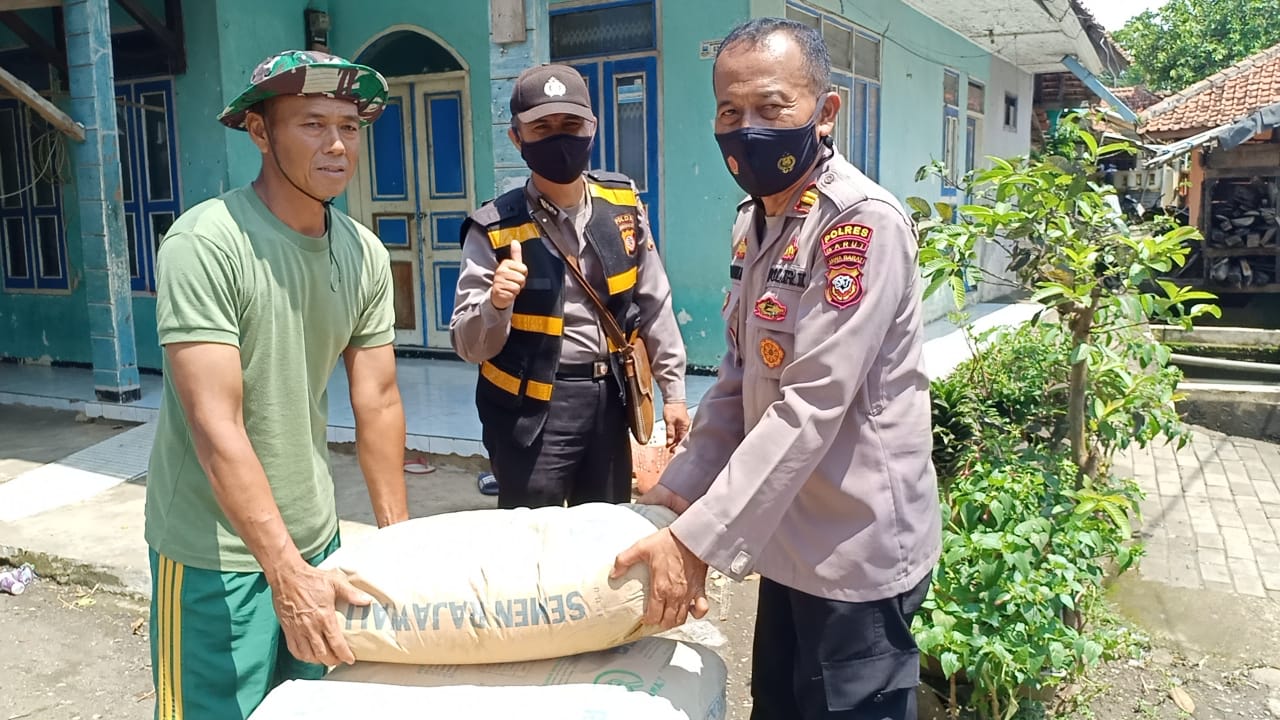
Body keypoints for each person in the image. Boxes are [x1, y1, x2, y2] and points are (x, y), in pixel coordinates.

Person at [612, 18, 941, 720]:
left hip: (856, 549)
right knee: (781, 706)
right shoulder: (758, 221)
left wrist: (695, 544)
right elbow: (738, 378)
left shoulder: (859, 226)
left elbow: (811, 403)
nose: (746, 129)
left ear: (825, 112)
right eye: (730, 112)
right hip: (788, 534)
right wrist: (676, 496)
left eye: (771, 107)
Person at [145, 50, 409, 720]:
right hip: (216, 555)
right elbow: (215, 424)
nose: (336, 145)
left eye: (349, 127)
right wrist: (282, 571)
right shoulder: (207, 243)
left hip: (319, 540)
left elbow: (377, 402)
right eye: (312, 124)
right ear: (260, 133)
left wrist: (400, 543)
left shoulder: (363, 252)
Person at [451, 64, 690, 509]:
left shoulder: (623, 204)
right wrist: (496, 302)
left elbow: (654, 303)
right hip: (531, 413)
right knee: (531, 544)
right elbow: (468, 345)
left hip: (610, 402)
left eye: (570, 124)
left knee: (604, 539)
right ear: (516, 138)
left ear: (592, 128)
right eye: (541, 127)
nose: (559, 136)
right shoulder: (493, 228)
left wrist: (674, 393)